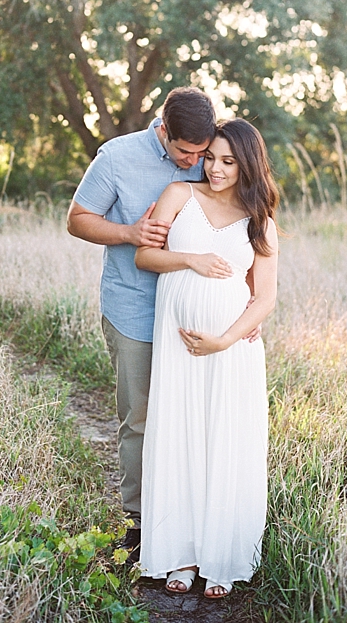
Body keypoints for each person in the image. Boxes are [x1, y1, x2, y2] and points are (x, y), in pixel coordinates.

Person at [66, 87, 218, 563]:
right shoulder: (116, 157)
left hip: (195, 312)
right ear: (163, 130)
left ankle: (187, 515)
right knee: (140, 417)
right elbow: (77, 219)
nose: (195, 162)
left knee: (192, 416)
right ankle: (138, 522)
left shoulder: (213, 157)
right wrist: (130, 232)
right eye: (185, 152)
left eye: (201, 152)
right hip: (134, 308)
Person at [134, 118, 279, 599]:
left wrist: (224, 340)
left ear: (248, 164)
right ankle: (182, 554)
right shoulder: (179, 195)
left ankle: (222, 557)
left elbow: (264, 299)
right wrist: (190, 259)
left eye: (228, 161)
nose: (215, 169)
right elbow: (145, 258)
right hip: (177, 348)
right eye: (211, 158)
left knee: (224, 441)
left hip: (230, 351)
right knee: (180, 436)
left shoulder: (261, 222)